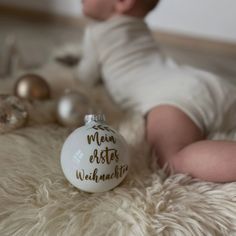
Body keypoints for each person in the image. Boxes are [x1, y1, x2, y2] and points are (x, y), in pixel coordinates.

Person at [77, 0, 236, 182]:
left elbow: (85, 77)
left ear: (123, 2)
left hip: (174, 98)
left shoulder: (96, 33)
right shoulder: (140, 27)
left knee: (171, 159)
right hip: (208, 83)